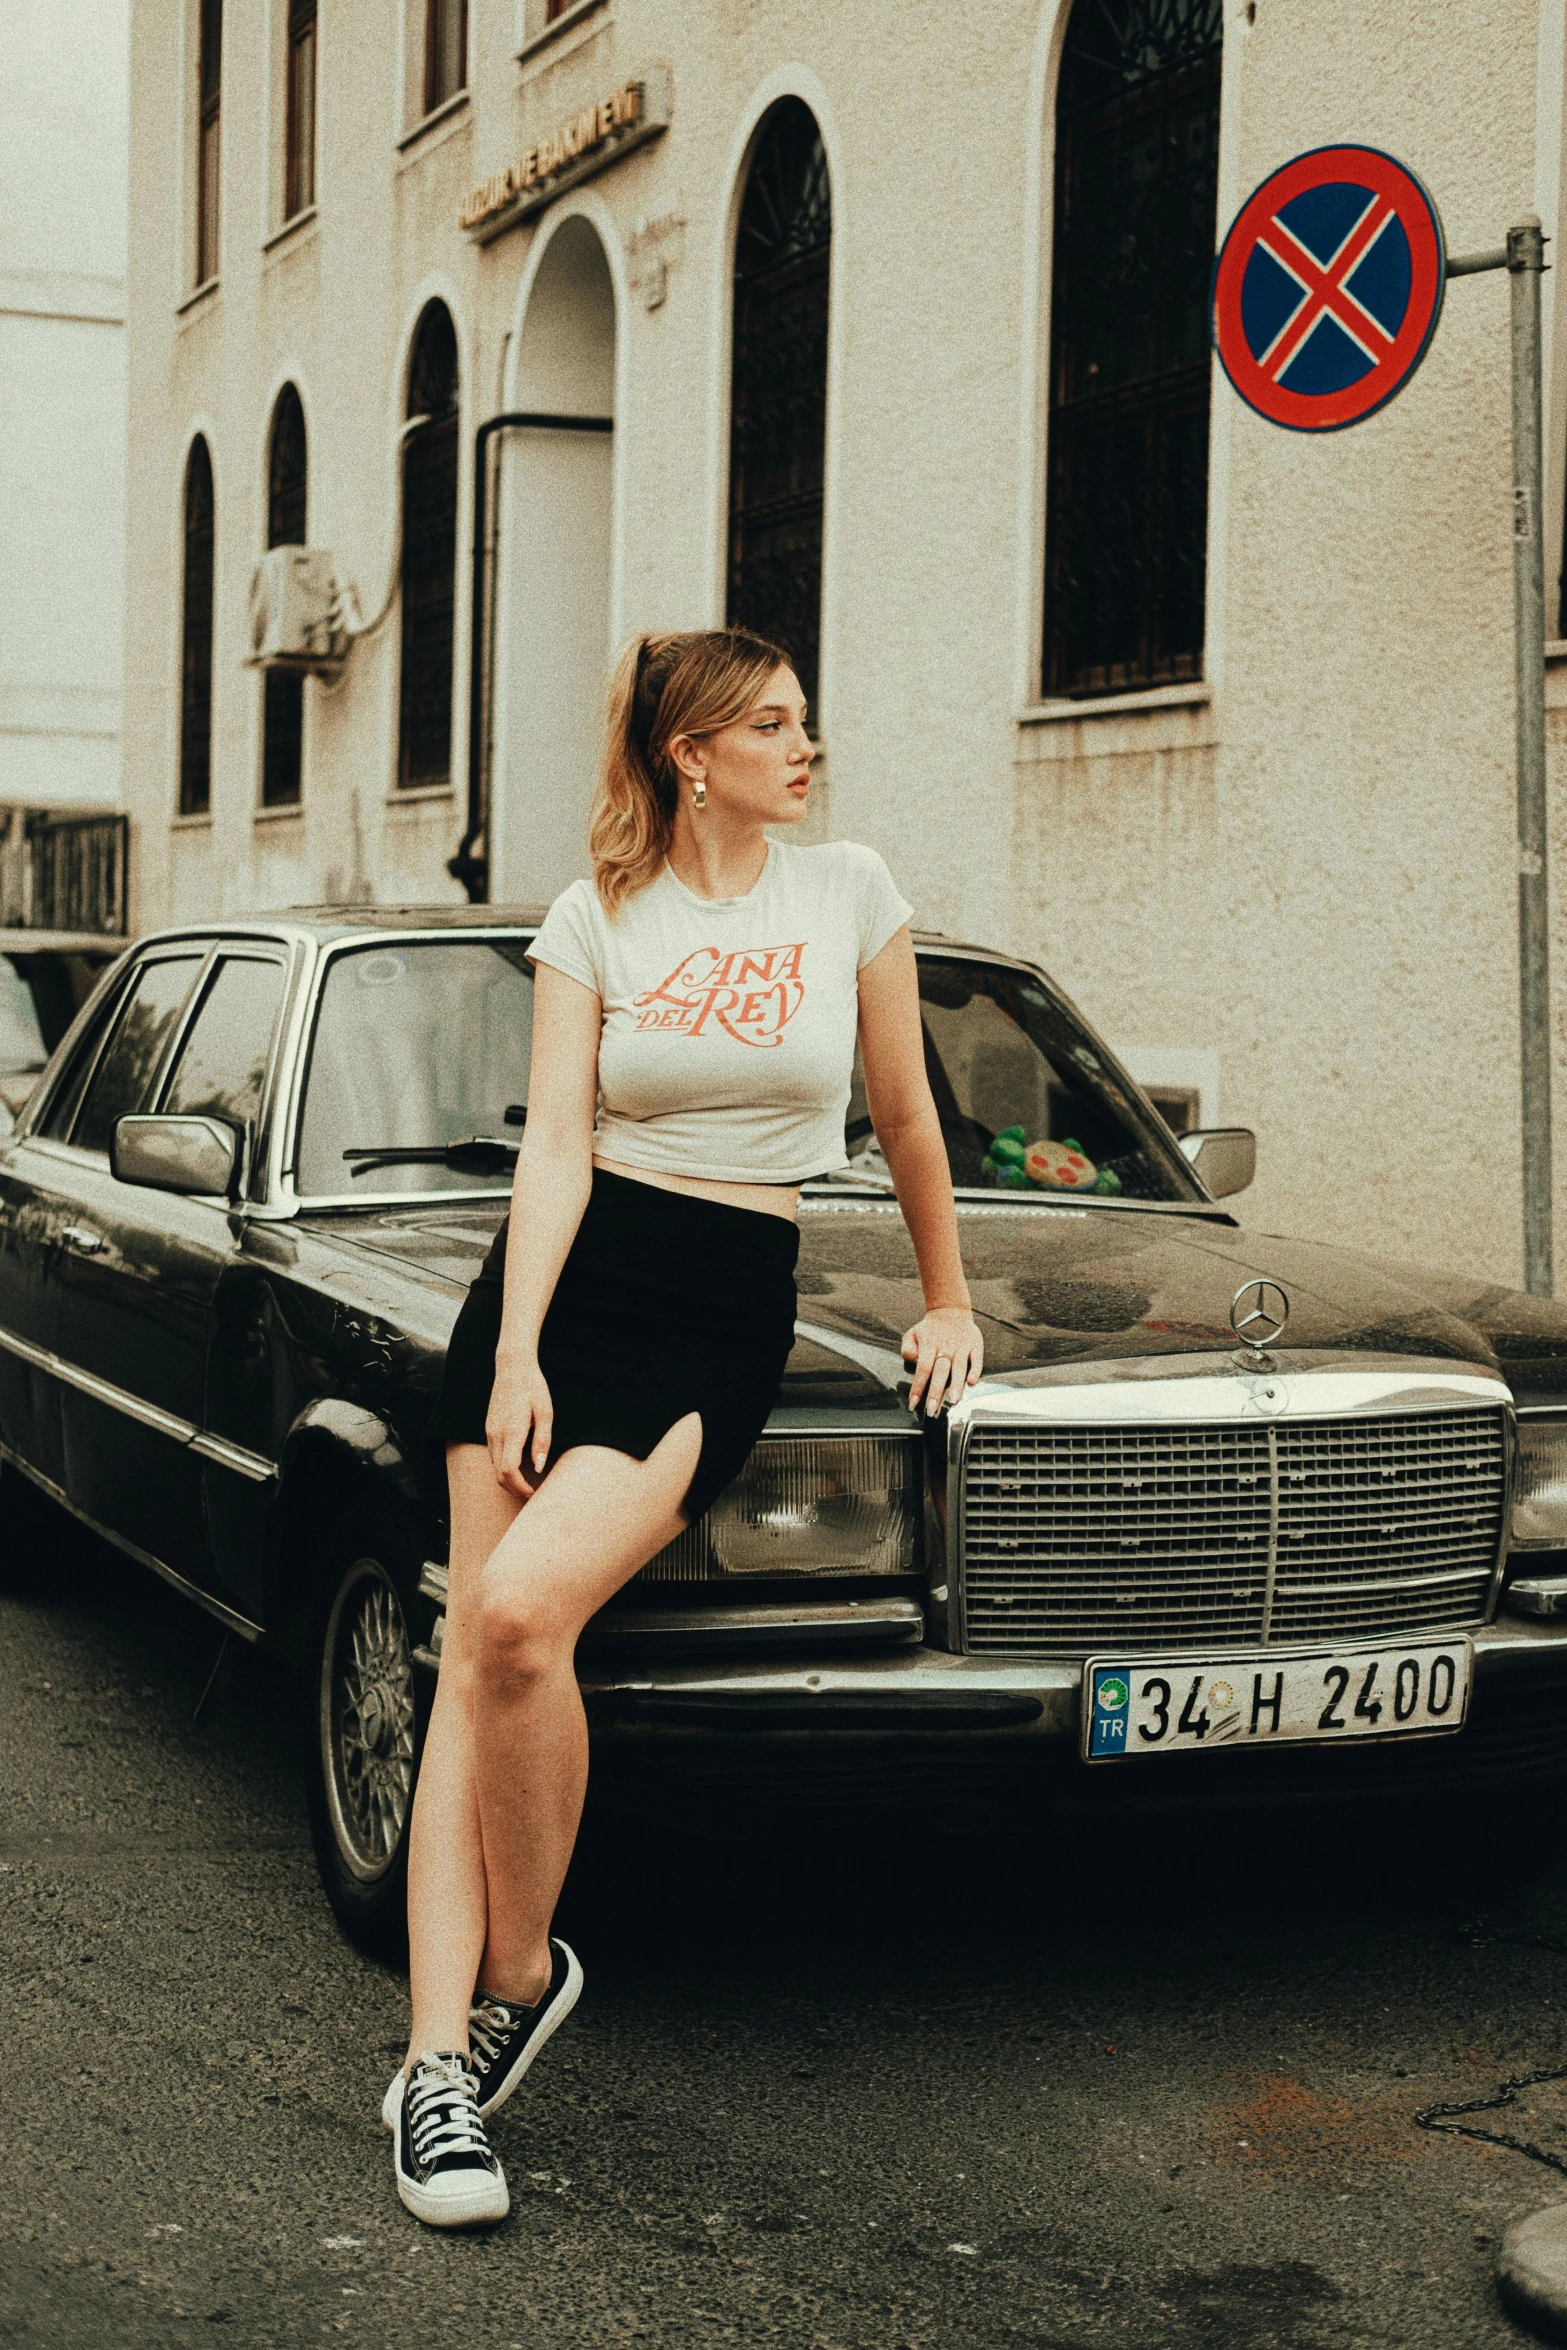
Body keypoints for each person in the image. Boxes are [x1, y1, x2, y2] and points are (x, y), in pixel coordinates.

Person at [382, 627, 984, 2226]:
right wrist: (513, 1344)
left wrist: (948, 1297)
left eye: (804, 722)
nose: (806, 747)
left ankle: (522, 1970)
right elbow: (558, 1145)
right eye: (771, 724)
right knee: (470, 1657)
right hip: (563, 1281)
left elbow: (907, 1109)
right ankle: (437, 2067)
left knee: (520, 1617)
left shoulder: (847, 889)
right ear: (688, 752)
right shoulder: (596, 915)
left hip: (721, 1287)